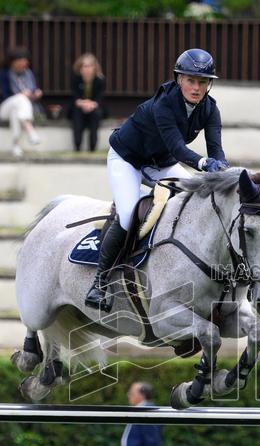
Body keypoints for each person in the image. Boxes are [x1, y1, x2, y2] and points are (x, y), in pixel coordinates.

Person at [85, 48, 230, 312]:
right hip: (127, 159)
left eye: (203, 82)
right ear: (178, 79)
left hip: (160, 163)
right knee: (128, 214)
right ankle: (100, 282)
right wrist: (202, 164)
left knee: (194, 200)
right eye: (191, 80)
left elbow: (215, 148)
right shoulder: (164, 104)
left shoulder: (210, 109)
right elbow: (177, 148)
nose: (197, 88)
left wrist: (221, 167)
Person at [0, 46, 43, 159]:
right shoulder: (5, 74)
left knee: (16, 111)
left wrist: (35, 94)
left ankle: (16, 146)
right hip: (4, 109)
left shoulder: (28, 74)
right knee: (20, 99)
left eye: (25, 60)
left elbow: (32, 90)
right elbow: (6, 95)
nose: (24, 63)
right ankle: (30, 130)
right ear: (13, 62)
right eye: (21, 60)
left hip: (19, 110)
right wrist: (23, 95)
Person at [120, 382, 165, 446]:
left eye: (132, 393)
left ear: (142, 395)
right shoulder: (139, 410)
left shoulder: (147, 411)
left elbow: (152, 439)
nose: (128, 395)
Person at [70, 53, 106, 152]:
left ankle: (92, 147)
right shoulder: (75, 79)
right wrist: (83, 103)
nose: (87, 69)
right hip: (79, 107)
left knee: (96, 115)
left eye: (90, 66)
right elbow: (75, 97)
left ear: (95, 68)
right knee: (77, 116)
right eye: (85, 66)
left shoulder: (100, 80)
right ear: (80, 68)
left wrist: (91, 104)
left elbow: (100, 98)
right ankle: (77, 147)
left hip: (94, 107)